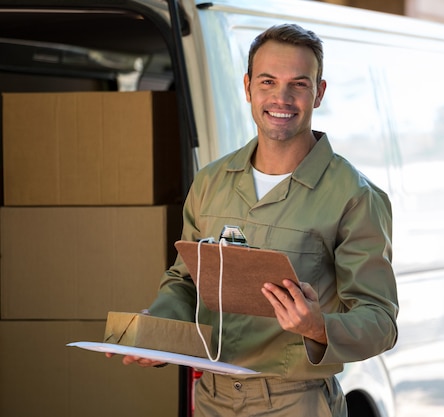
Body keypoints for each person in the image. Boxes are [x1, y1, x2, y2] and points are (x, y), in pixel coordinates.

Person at [110, 23, 398, 417]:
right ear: (247, 87)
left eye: (299, 83)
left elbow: (380, 321)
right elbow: (184, 283)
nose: (282, 97)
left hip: (295, 402)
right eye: (267, 81)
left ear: (320, 92)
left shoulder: (355, 196)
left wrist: (318, 326)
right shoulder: (211, 181)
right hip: (211, 396)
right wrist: (157, 332)